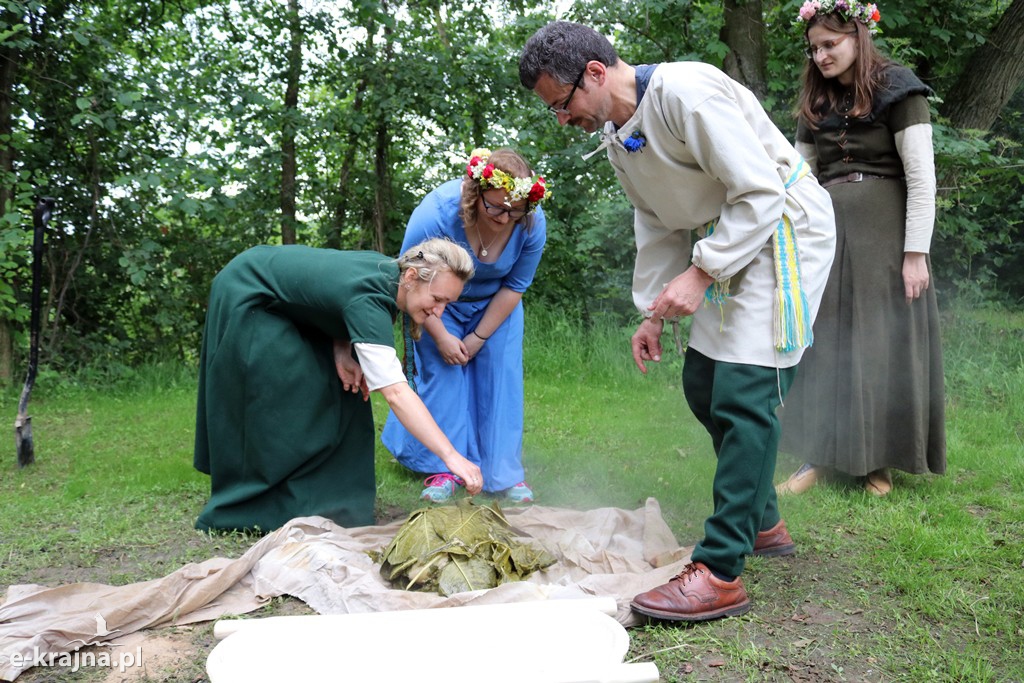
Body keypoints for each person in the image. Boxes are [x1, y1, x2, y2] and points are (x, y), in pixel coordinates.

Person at [519, 21, 837, 622]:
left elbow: (762, 191)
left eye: (562, 105)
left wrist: (702, 272)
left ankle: (720, 571)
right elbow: (658, 222)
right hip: (728, 238)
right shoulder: (617, 135)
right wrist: (652, 312)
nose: (562, 120)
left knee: (745, 392)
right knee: (703, 383)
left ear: (593, 72)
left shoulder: (685, 93)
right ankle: (762, 518)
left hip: (781, 226)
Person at [193, 239, 484, 533]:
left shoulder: (389, 276)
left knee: (346, 392)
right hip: (249, 294)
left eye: (448, 302)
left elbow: (330, 297)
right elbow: (396, 393)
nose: (440, 312)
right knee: (295, 386)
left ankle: (335, 503)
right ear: (411, 277)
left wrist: (342, 347)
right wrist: (451, 457)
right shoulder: (372, 296)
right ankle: (257, 505)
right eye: (437, 298)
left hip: (281, 302)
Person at [776, 0, 946, 497]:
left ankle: (877, 461)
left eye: (831, 44)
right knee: (822, 338)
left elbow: (921, 176)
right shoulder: (814, 100)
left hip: (885, 233)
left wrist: (915, 253)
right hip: (824, 231)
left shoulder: (900, 88)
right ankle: (819, 456)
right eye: (814, 49)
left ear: (858, 35)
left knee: (878, 340)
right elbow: (796, 177)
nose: (822, 56)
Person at [382, 148, 549, 504]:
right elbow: (411, 279)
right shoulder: (436, 213)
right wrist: (441, 336)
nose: (506, 218)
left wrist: (478, 337)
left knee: (500, 380)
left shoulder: (532, 223)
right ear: (476, 194)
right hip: (435, 302)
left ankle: (502, 474)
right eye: (496, 208)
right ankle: (444, 470)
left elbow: (515, 286)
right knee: (445, 380)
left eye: (515, 210)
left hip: (496, 307)